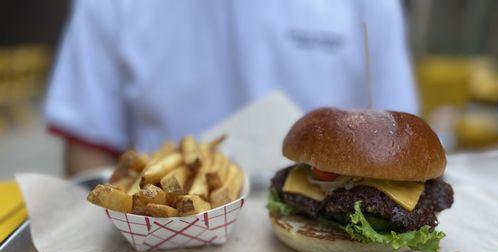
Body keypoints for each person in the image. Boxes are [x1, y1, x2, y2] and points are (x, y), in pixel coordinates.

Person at [45, 0, 418, 175]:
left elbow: (402, 141)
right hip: (162, 237)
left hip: (324, 205)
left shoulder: (371, 6)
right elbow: (88, 154)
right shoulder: (108, 6)